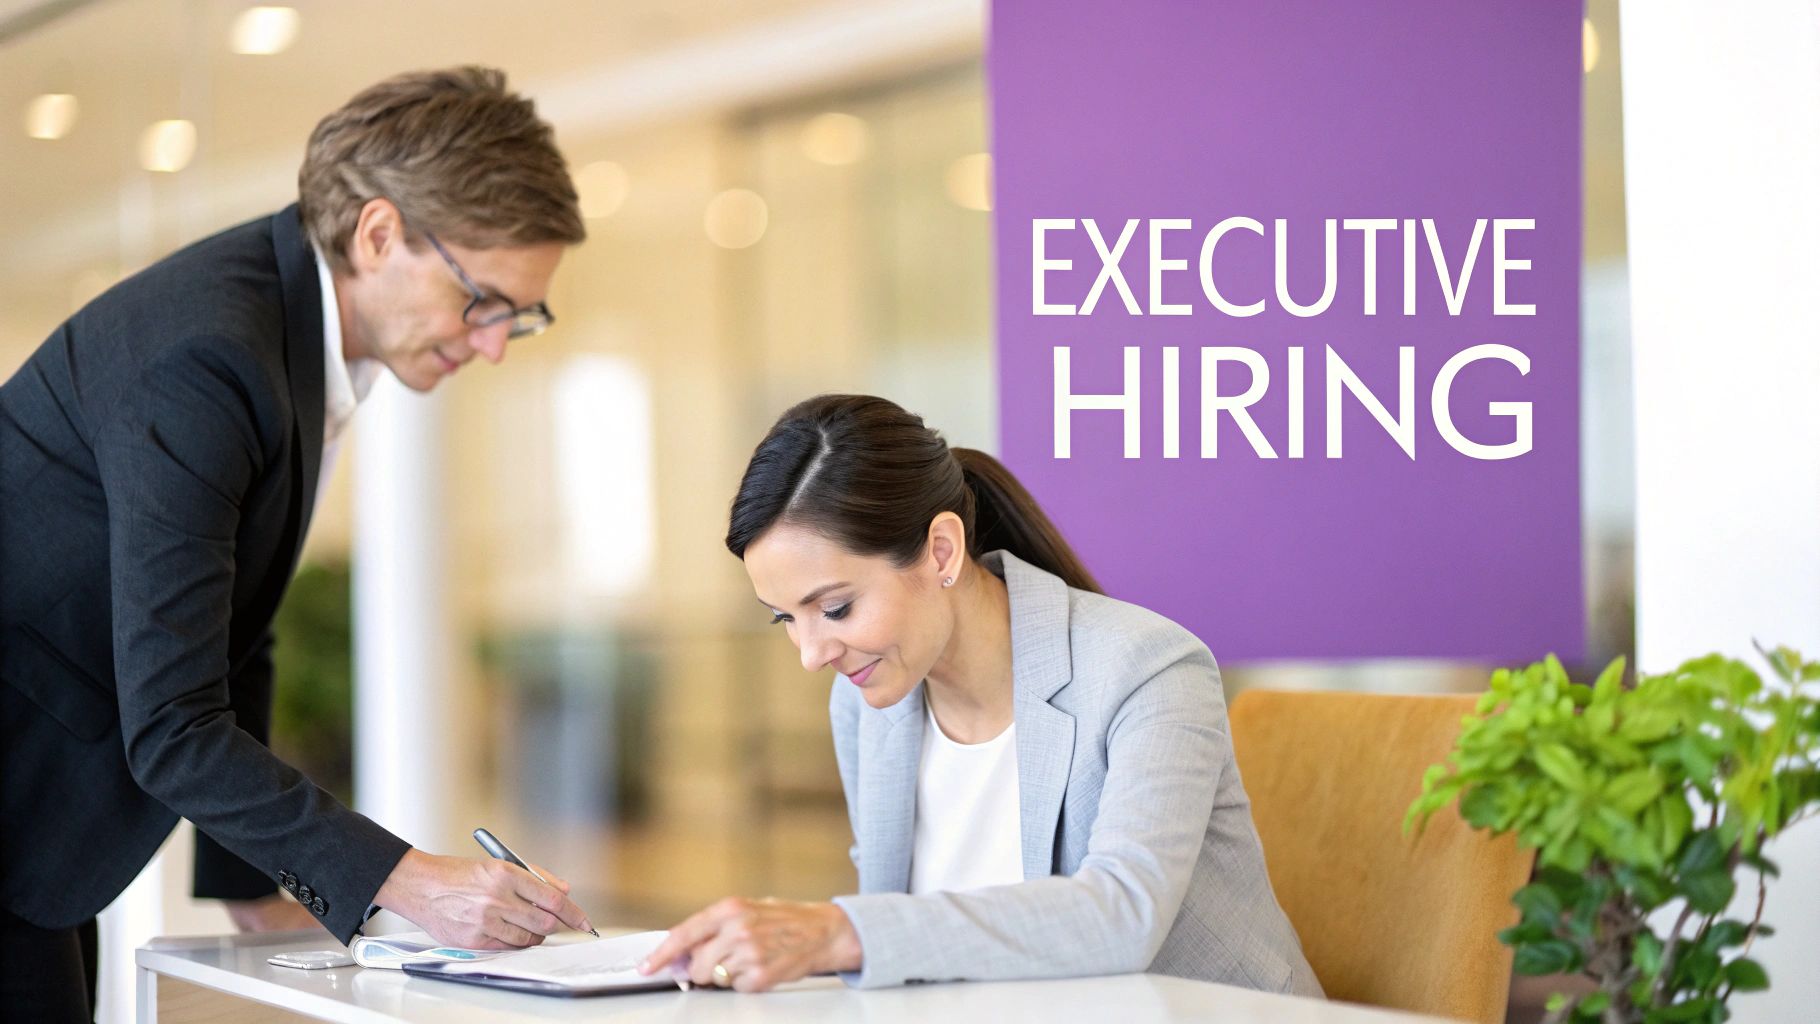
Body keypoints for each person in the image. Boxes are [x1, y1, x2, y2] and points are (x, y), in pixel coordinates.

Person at [0, 67, 593, 1020]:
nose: (492, 343)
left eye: (518, 316)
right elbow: (174, 725)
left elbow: (232, 627)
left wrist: (253, 884)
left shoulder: (281, 329)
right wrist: (409, 880)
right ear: (379, 234)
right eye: (483, 300)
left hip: (41, 835)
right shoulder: (208, 356)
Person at [639, 394, 1323, 996]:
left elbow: (1124, 915)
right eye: (785, 618)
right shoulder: (866, 700)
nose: (812, 655)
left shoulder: (1147, 668)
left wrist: (841, 932)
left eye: (837, 608)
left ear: (941, 550)